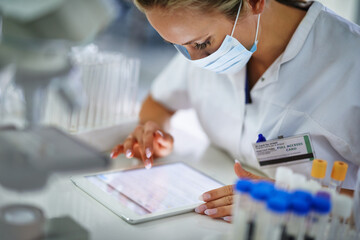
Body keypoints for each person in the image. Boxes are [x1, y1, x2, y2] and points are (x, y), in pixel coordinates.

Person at [111, 0, 360, 221]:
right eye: (178, 46)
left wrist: (296, 200)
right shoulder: (202, 38)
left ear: (254, 3)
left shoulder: (351, 63)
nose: (195, 60)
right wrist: (154, 132)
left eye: (201, 43)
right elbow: (158, 102)